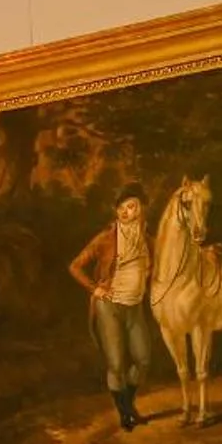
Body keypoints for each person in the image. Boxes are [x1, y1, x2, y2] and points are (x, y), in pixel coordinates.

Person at [67, 182, 159, 431]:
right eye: (121, 208)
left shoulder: (149, 240)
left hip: (135, 307)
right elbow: (75, 266)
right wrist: (94, 288)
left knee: (143, 360)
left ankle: (128, 407)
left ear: (141, 209)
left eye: (131, 207)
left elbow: (168, 262)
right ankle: (125, 415)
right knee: (117, 364)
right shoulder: (106, 239)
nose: (126, 212)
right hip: (109, 308)